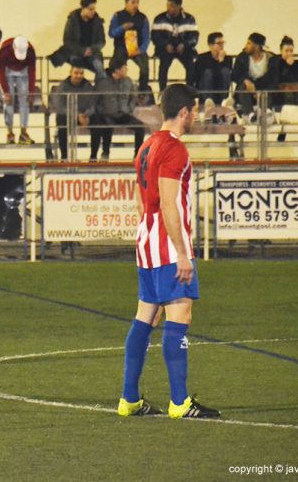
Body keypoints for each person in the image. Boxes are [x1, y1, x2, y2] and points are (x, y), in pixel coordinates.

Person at [117, 83, 220, 419]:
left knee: (146, 315)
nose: (195, 116)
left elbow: (140, 198)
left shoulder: (147, 145)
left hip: (146, 238)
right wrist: (181, 252)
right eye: (194, 110)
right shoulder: (175, 149)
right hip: (166, 242)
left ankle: (129, 399)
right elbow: (169, 202)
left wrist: (149, 233)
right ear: (184, 111)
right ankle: (180, 402)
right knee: (180, 314)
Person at [90, 60, 145, 160]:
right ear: (117, 70)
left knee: (140, 127)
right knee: (107, 125)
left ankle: (137, 155)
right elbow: (95, 100)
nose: (127, 70)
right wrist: (100, 112)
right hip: (107, 114)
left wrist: (130, 109)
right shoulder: (103, 83)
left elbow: (133, 97)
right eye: (125, 67)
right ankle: (105, 153)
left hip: (123, 114)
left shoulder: (128, 81)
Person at [48, 0, 106, 81]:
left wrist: (91, 49)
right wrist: (82, 51)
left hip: (92, 52)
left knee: (99, 68)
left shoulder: (97, 21)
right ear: (83, 8)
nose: (93, 12)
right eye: (90, 9)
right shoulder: (72, 20)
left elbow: (102, 41)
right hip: (75, 51)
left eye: (94, 9)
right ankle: (76, 89)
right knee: (77, 68)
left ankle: (99, 91)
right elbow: (67, 41)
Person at [151, 0, 199, 93]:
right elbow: (155, 36)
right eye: (167, 5)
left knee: (191, 67)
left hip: (185, 50)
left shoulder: (190, 19)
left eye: (171, 5)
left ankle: (189, 93)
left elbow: (194, 37)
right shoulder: (159, 19)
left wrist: (184, 45)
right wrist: (165, 45)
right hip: (165, 50)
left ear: (179, 6)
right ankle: (162, 93)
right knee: (163, 67)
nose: (169, 8)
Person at [108, 0, 151, 94]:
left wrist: (141, 49)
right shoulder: (117, 16)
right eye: (133, 2)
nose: (135, 5)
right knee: (114, 67)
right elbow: (111, 33)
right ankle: (115, 90)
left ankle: (142, 91)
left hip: (137, 49)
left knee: (145, 67)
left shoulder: (143, 18)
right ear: (126, 3)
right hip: (121, 48)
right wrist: (122, 28)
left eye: (137, 2)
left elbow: (146, 37)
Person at [0, 35, 37, 144]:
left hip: (24, 71)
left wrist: (31, 92)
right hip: (7, 71)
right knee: (8, 102)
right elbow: (0, 71)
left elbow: (32, 72)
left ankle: (23, 133)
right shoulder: (5, 49)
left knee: (25, 101)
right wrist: (6, 92)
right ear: (13, 48)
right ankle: (10, 133)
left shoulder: (30, 51)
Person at [50, 67, 95, 161]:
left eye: (81, 73)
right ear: (70, 73)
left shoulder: (88, 86)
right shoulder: (62, 86)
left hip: (84, 116)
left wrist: (86, 115)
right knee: (61, 122)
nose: (79, 76)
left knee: (98, 121)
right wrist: (77, 115)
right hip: (68, 116)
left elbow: (93, 103)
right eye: (76, 73)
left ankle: (93, 157)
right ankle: (64, 157)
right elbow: (60, 106)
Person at [271, 36, 298, 142]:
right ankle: (284, 131)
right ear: (281, 51)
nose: (289, 53)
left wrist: (293, 67)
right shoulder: (276, 62)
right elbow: (276, 79)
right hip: (281, 92)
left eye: (291, 51)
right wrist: (288, 66)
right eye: (286, 51)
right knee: (289, 95)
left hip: (296, 90)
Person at [231, 32, 276, 118]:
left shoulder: (271, 59)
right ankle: (250, 114)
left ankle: (267, 111)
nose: (246, 46)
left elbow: (273, 80)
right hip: (247, 92)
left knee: (268, 90)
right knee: (243, 86)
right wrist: (245, 80)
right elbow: (234, 75)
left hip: (264, 92)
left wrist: (258, 91)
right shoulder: (242, 57)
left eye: (249, 43)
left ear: (257, 46)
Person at [193, 32, 233, 105]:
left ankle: (224, 100)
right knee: (208, 73)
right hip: (206, 88)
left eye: (223, 43)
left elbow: (225, 76)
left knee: (225, 71)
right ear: (211, 45)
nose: (222, 46)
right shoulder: (202, 58)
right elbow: (199, 75)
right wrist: (219, 64)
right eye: (219, 43)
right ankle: (208, 100)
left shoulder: (227, 59)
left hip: (220, 88)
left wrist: (221, 62)